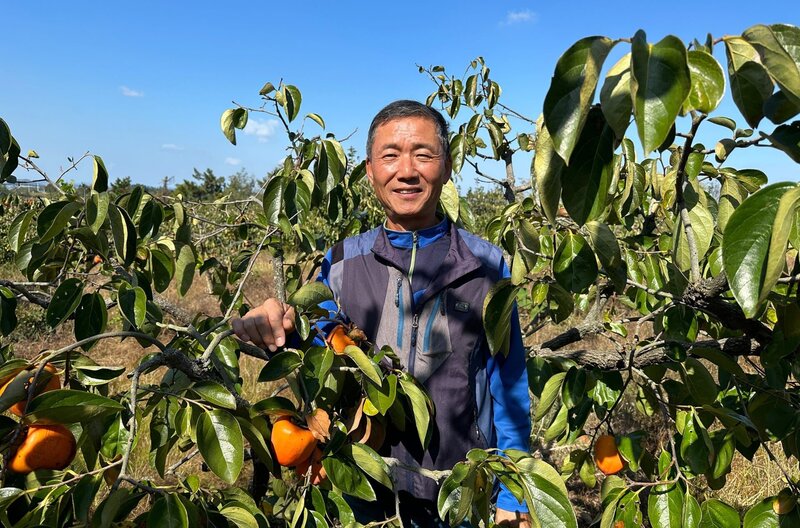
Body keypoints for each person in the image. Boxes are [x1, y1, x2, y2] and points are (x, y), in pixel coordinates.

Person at [233, 100, 531, 527]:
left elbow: (510, 382)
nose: (406, 171)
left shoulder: (486, 266)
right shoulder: (340, 264)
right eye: (390, 155)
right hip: (364, 489)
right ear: (370, 170)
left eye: (423, 154)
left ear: (446, 169)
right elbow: (323, 351)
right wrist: (280, 324)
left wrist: (514, 495)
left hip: (462, 488)